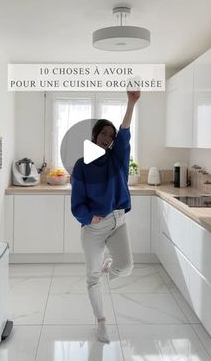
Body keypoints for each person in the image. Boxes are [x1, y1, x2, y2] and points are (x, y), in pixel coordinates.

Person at [71, 90, 140, 343]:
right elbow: (76, 203)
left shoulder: (118, 159)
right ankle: (101, 322)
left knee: (126, 266)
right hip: (94, 227)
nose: (108, 139)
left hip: (118, 221)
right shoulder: (81, 165)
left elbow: (125, 132)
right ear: (95, 136)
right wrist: (90, 217)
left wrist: (131, 103)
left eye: (111, 137)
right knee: (92, 277)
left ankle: (108, 265)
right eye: (104, 134)